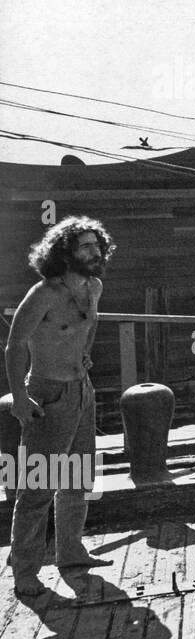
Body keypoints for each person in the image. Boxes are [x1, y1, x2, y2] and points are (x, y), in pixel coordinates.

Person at [5, 217, 115, 597]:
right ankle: (24, 570)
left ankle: (71, 553)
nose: (94, 252)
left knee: (79, 479)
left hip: (82, 391)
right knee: (38, 484)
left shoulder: (94, 287)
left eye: (96, 245)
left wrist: (84, 356)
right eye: (85, 246)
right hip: (48, 393)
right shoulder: (44, 294)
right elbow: (15, 345)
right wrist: (19, 397)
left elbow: (91, 324)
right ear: (64, 252)